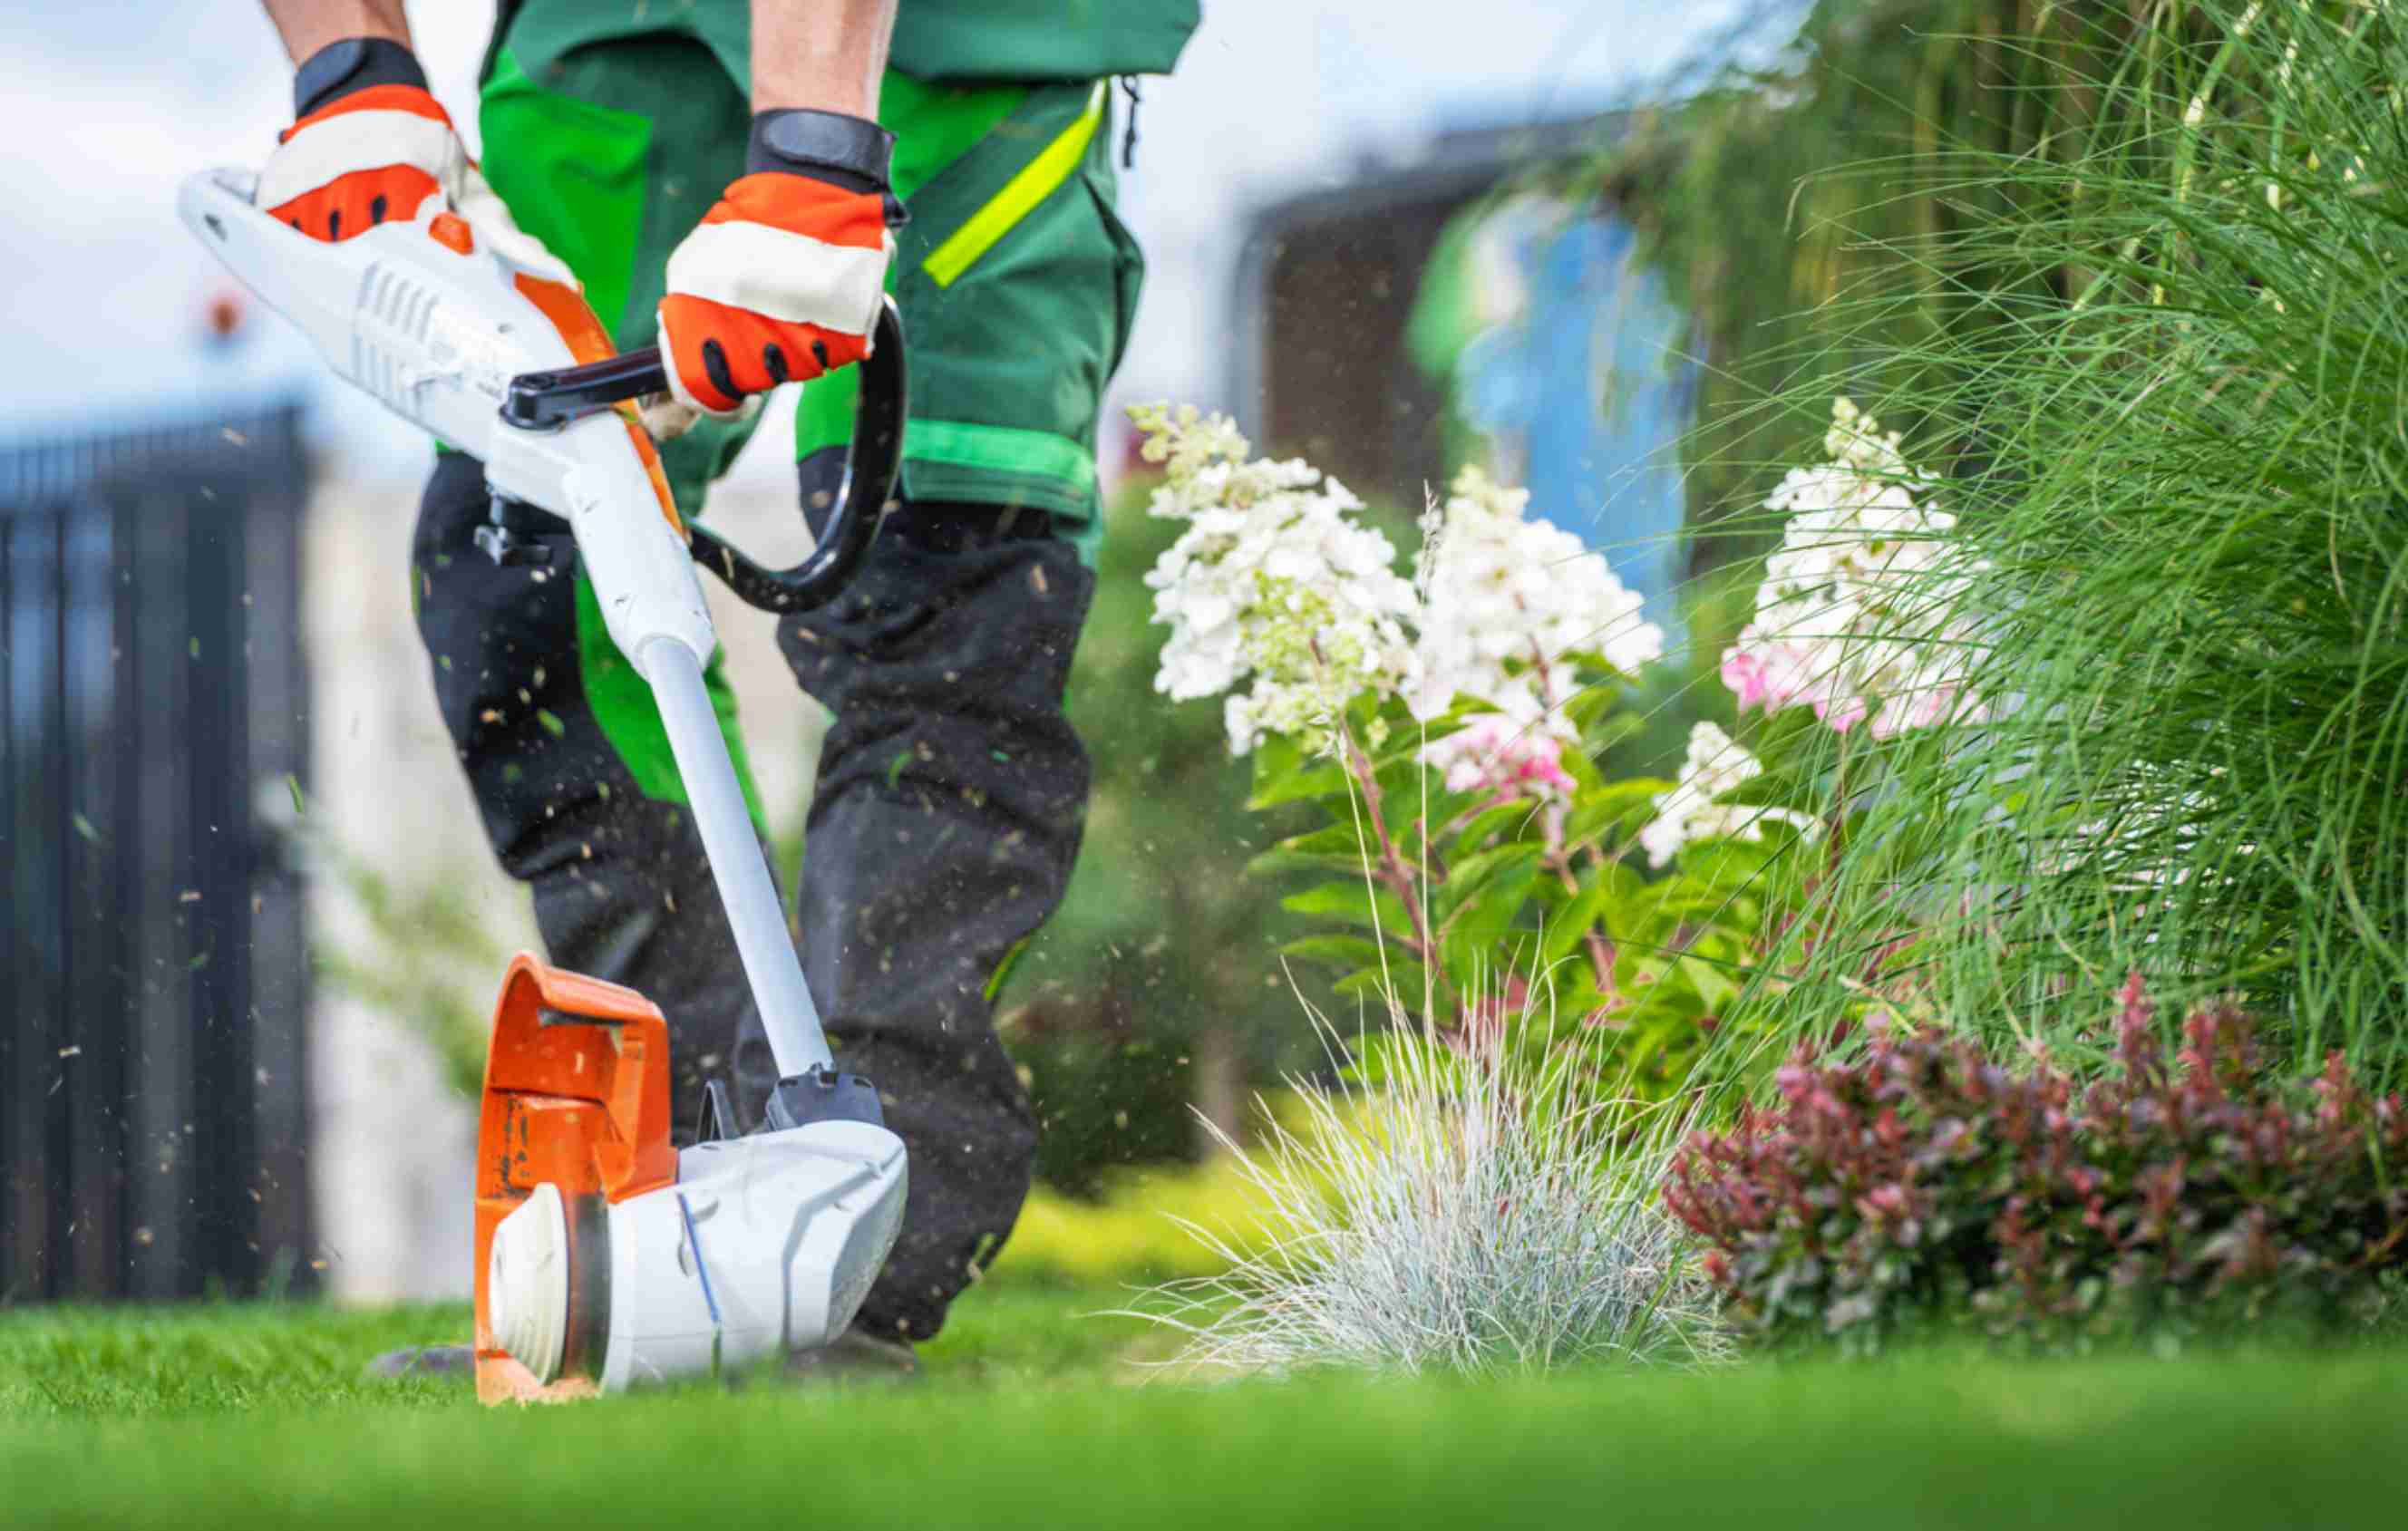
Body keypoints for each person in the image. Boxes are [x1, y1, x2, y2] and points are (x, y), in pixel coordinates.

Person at [254, 0, 1197, 1375]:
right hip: (616, 35)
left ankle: (848, 1261)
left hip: (968, 41)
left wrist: (814, 143)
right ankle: (678, 1224)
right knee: (528, 556)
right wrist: (349, 69)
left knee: (945, 569)